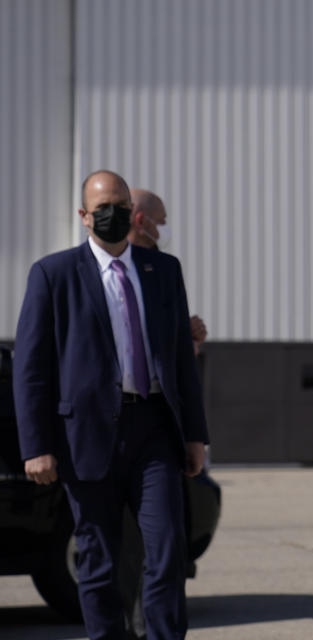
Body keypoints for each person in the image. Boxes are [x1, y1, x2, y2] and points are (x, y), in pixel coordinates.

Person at [13, 169, 208, 640]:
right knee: (97, 561)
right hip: (87, 436)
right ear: (84, 216)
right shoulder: (53, 274)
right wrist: (35, 446)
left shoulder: (163, 271)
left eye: (120, 206)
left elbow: (181, 357)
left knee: (166, 552)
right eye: (102, 208)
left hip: (154, 428)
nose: (113, 215)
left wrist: (197, 434)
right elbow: (31, 368)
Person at [128, 188, 208, 356]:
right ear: (140, 221)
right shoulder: (114, 268)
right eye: (161, 221)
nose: (164, 228)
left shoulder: (164, 268)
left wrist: (186, 333)